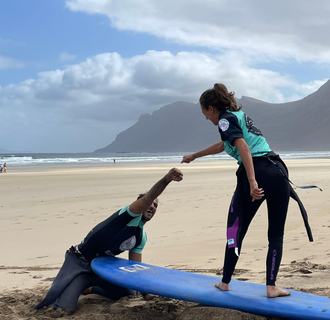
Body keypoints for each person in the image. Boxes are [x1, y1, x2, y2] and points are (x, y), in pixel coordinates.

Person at [182, 83, 308, 298]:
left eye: (204, 112)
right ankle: (271, 287)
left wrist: (251, 181)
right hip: (278, 171)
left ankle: (225, 282)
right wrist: (195, 155)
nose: (205, 117)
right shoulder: (238, 115)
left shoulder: (224, 119)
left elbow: (243, 147)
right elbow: (225, 145)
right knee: (276, 233)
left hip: (257, 170)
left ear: (211, 108)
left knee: (235, 229)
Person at [34, 167, 183, 313]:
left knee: (129, 292)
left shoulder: (140, 237)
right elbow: (147, 199)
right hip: (79, 262)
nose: (152, 206)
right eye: (150, 203)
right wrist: (167, 179)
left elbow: (135, 268)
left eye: (156, 205)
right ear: (139, 205)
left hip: (101, 268)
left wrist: (145, 292)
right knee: (63, 308)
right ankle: (65, 285)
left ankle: (90, 288)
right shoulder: (127, 215)